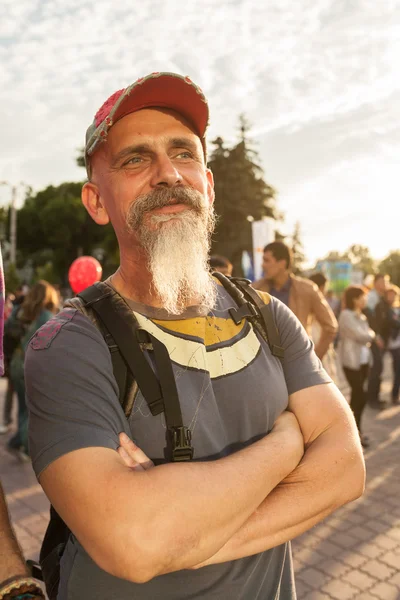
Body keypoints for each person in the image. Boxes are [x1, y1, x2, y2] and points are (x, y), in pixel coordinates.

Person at [25, 72, 364, 600]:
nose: (167, 174)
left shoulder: (267, 316)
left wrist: (183, 539)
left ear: (206, 184)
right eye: (135, 159)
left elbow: (346, 469)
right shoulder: (67, 344)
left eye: (183, 153)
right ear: (96, 202)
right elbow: (134, 542)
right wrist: (288, 442)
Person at [253, 242, 338, 360]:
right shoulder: (254, 289)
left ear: (282, 263)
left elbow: (330, 327)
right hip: (264, 363)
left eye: (267, 260)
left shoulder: (307, 289)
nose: (263, 265)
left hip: (296, 363)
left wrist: (314, 359)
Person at [5, 280, 58, 460]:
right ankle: (25, 446)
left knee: (23, 407)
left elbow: (8, 330)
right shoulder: (47, 316)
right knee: (32, 409)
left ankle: (16, 441)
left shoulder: (21, 312)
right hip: (33, 365)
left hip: (17, 363)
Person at [337, 286, 375, 447]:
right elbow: (361, 335)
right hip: (351, 362)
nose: (365, 300)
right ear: (354, 299)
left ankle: (355, 431)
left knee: (358, 397)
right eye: (362, 297)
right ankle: (353, 432)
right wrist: (372, 335)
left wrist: (369, 335)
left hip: (363, 361)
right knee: (360, 395)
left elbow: (366, 334)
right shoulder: (346, 315)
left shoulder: (362, 316)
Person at [365, 274, 389, 408]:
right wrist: (377, 336)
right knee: (376, 367)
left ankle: (375, 397)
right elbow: (371, 318)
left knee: (379, 368)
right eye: (382, 281)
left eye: (385, 281)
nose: (384, 284)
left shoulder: (381, 297)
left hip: (381, 338)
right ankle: (372, 399)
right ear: (375, 283)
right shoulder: (372, 297)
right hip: (375, 339)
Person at [375, 286, 400, 405]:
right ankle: (376, 396)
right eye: (389, 295)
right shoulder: (382, 307)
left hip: (397, 344)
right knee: (378, 368)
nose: (391, 297)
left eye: (393, 295)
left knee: (397, 370)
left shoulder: (397, 308)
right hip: (385, 342)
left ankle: (394, 395)